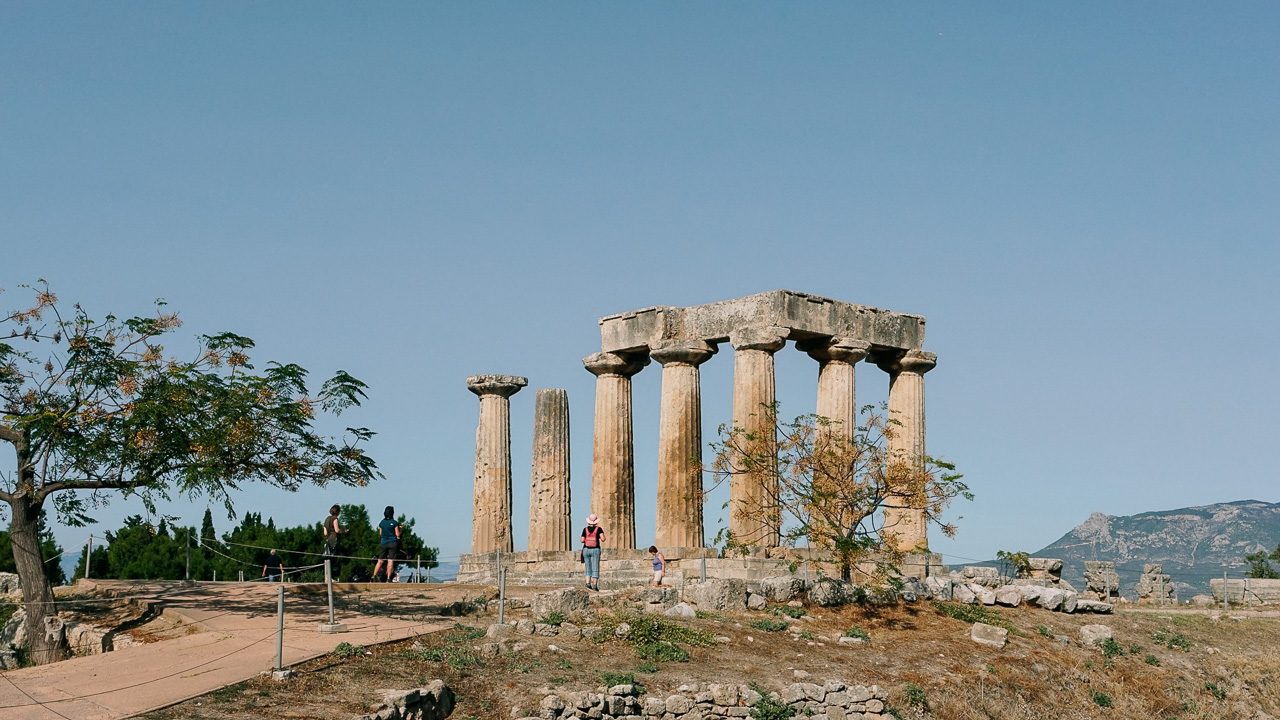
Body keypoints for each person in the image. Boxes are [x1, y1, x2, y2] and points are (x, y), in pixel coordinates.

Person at [373, 505, 402, 582]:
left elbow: (380, 533)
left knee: (380, 560)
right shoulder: (394, 523)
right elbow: (398, 535)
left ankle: (373, 576)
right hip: (393, 542)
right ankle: (388, 578)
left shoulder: (382, 523)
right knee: (390, 561)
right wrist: (400, 529)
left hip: (383, 542)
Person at [580, 514, 604, 591]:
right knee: (595, 567)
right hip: (595, 549)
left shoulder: (585, 529)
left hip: (586, 549)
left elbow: (582, 540)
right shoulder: (599, 529)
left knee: (588, 566)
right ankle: (595, 585)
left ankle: (588, 583)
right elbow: (603, 539)